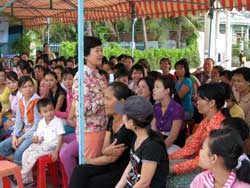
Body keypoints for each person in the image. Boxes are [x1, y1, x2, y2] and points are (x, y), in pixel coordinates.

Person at [69, 82, 134, 188]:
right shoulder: (111, 119)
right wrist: (105, 151)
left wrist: (88, 160)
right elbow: (105, 149)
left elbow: (111, 158)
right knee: (79, 171)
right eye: (104, 98)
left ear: (121, 103)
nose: (104, 102)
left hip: (122, 171)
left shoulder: (127, 126)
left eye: (108, 99)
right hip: (108, 166)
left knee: (91, 183)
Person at [61, 36, 107, 181]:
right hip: (90, 131)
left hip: (102, 128)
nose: (100, 54)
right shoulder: (81, 76)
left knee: (97, 170)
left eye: (101, 50)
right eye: (96, 50)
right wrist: (105, 101)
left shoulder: (97, 74)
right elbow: (84, 108)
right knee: (90, 170)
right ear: (86, 54)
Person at [167, 83, 226, 188]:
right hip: (201, 163)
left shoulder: (218, 126)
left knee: (171, 180)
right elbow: (190, 148)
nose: (196, 102)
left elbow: (204, 160)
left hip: (211, 172)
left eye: (200, 99)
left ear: (212, 103)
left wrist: (174, 168)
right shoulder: (207, 120)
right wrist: (168, 158)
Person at [115, 96, 169, 188]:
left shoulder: (152, 146)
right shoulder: (137, 136)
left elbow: (144, 182)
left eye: (124, 114)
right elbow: (132, 164)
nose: (122, 117)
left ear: (131, 122)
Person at [21, 98, 65, 186]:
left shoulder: (57, 121)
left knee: (33, 155)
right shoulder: (41, 122)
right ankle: (28, 180)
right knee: (26, 152)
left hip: (53, 147)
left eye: (51, 110)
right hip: (43, 145)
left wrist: (56, 152)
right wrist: (36, 139)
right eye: (45, 111)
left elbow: (60, 137)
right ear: (40, 113)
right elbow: (39, 136)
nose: (49, 113)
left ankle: (22, 175)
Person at [0, 76, 41, 165]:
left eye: (30, 86)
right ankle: (19, 167)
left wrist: (22, 138)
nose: (28, 89)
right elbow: (18, 121)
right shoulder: (21, 101)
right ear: (20, 89)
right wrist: (14, 135)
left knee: (19, 152)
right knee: (2, 147)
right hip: (24, 131)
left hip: (35, 133)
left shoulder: (37, 101)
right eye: (25, 87)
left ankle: (19, 172)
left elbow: (37, 125)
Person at [152, 75, 185, 154]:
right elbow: (153, 129)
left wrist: (159, 150)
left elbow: (172, 137)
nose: (153, 90)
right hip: (159, 141)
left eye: (157, 87)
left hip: (174, 144)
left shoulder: (177, 109)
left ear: (167, 91)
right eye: (154, 87)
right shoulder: (155, 107)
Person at [0, 71, 21, 140]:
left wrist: (12, 122)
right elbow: (14, 113)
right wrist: (8, 120)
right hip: (13, 120)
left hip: (20, 124)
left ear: (18, 81)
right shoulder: (11, 96)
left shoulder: (21, 95)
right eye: (9, 83)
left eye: (14, 82)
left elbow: (23, 116)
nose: (12, 85)